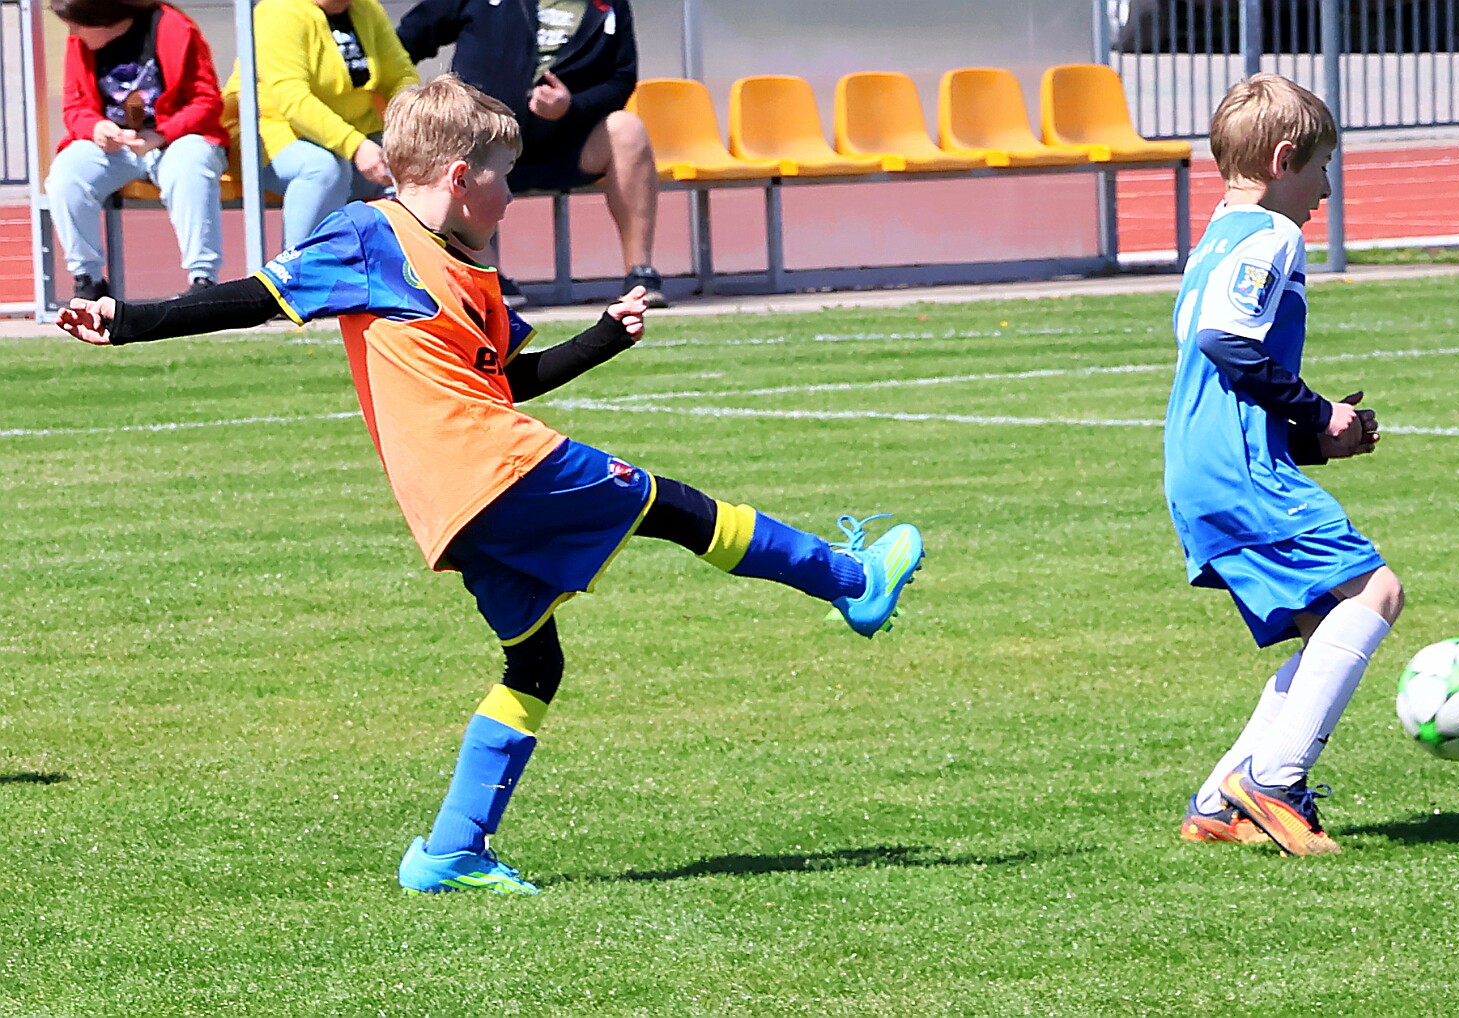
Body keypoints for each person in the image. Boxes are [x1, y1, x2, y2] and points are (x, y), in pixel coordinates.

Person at [56, 75, 927, 894]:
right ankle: (850, 580)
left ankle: (450, 851)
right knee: (673, 506)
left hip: (455, 503)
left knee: (535, 661)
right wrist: (124, 319)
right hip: (491, 466)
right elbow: (253, 297)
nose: (512, 195)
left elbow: (506, 382)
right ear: (461, 176)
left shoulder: (471, 272)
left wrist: (601, 339)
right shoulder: (369, 236)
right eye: (505, 176)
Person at [1166, 74, 1396, 857]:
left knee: (1325, 623)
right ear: (1284, 158)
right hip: (1236, 470)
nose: (1326, 189)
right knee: (1376, 593)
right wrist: (1317, 411)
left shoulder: (1213, 242)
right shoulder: (1272, 236)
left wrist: (1309, 439)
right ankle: (1274, 781)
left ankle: (1218, 801)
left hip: (1202, 464)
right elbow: (1224, 344)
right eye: (1321, 167)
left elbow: (1219, 382)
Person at [396, 0, 664, 306]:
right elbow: (405, 41)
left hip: (568, 145)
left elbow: (622, 78)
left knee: (627, 130)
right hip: (485, 144)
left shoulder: (611, 4)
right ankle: (485, 277)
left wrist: (571, 105)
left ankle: (640, 274)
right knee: (450, 138)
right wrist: (409, 104)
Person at [46, 0, 227, 300]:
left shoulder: (173, 27)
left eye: (78, 25)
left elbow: (206, 101)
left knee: (190, 168)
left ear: (103, 18)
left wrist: (162, 135)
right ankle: (88, 279)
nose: (73, 33)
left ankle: (203, 280)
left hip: (176, 138)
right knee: (66, 175)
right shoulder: (79, 43)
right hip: (114, 145)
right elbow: (75, 106)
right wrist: (95, 127)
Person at [225, 0, 418, 252]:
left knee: (423, 164)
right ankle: (298, 264)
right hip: (271, 132)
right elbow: (293, 99)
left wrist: (413, 126)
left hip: (355, 131)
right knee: (324, 170)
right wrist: (355, 146)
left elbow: (400, 76)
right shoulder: (278, 12)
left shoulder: (367, 9)